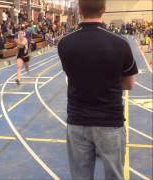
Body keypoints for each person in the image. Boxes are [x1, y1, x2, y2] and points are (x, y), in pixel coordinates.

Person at [57, 0, 138, 179]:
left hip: (77, 121)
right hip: (110, 121)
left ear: (80, 9)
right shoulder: (120, 43)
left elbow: (72, 75)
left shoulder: (64, 43)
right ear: (104, 9)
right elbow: (129, 84)